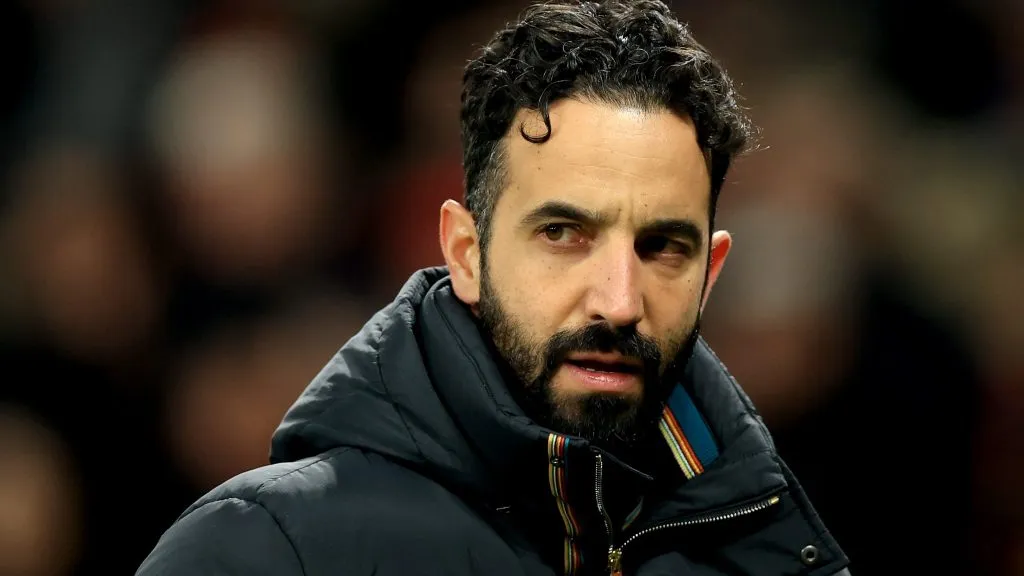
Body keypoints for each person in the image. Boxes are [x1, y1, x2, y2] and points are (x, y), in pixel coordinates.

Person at [137, 1, 851, 574]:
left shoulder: (767, 540)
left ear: (710, 276)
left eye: (662, 247)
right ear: (465, 254)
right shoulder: (263, 550)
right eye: (564, 235)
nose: (619, 300)